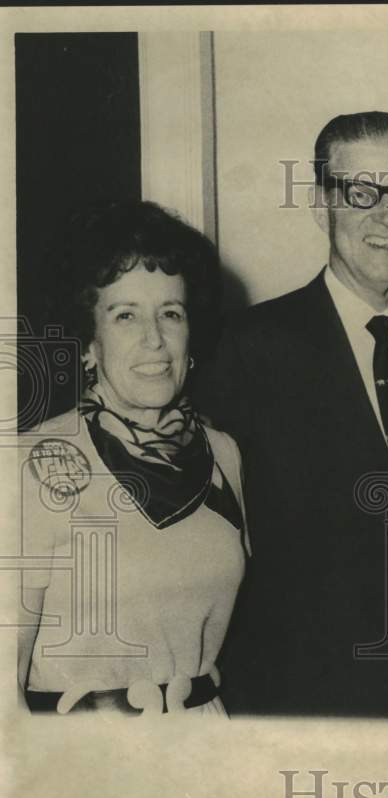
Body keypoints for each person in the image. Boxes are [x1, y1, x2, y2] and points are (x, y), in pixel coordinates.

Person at [193, 111, 388, 718]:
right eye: (361, 193)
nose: (386, 216)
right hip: (302, 708)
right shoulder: (246, 349)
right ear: (322, 206)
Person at [17, 200, 247, 715]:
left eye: (171, 313)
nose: (154, 339)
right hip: (86, 761)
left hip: (205, 744)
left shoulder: (225, 455)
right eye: (125, 316)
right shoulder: (31, 462)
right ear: (87, 342)